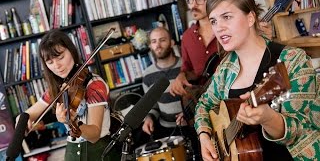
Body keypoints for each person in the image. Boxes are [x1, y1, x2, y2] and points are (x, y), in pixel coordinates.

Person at [194, 0, 319, 161]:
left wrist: (268, 118)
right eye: (213, 21)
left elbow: (302, 129)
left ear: (251, 18)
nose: (219, 28)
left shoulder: (291, 60)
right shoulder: (225, 69)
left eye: (227, 17)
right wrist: (204, 136)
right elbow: (203, 105)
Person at [16, 30, 120, 161]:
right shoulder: (57, 88)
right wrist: (22, 120)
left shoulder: (95, 85)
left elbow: (94, 135)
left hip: (99, 154)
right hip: (72, 154)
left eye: (60, 58)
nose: (57, 66)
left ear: (71, 51)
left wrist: (72, 122)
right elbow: (29, 114)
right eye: (50, 62)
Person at [170, 0, 273, 97]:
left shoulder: (239, 29)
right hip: (209, 102)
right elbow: (189, 71)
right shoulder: (187, 37)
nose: (193, 5)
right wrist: (181, 76)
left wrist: (264, 39)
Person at [138, 27, 200, 159]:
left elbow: (200, 96)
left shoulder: (186, 67)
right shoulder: (148, 75)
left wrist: (189, 113)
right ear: (150, 46)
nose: (158, 45)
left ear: (172, 43)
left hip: (193, 127)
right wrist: (148, 118)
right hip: (166, 132)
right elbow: (152, 105)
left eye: (162, 40)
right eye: (154, 41)